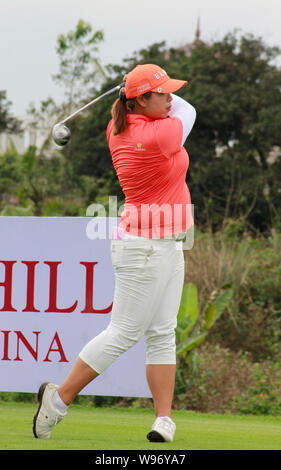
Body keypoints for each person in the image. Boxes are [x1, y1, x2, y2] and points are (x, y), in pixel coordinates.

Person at [33, 63, 196, 443]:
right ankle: (58, 400)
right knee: (123, 332)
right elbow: (189, 110)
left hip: (168, 244)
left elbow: (169, 106)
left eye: (171, 90)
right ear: (142, 100)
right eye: (163, 92)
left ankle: (163, 420)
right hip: (145, 248)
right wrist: (133, 87)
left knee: (162, 333)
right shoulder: (159, 135)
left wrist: (133, 88)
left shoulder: (119, 127)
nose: (171, 96)